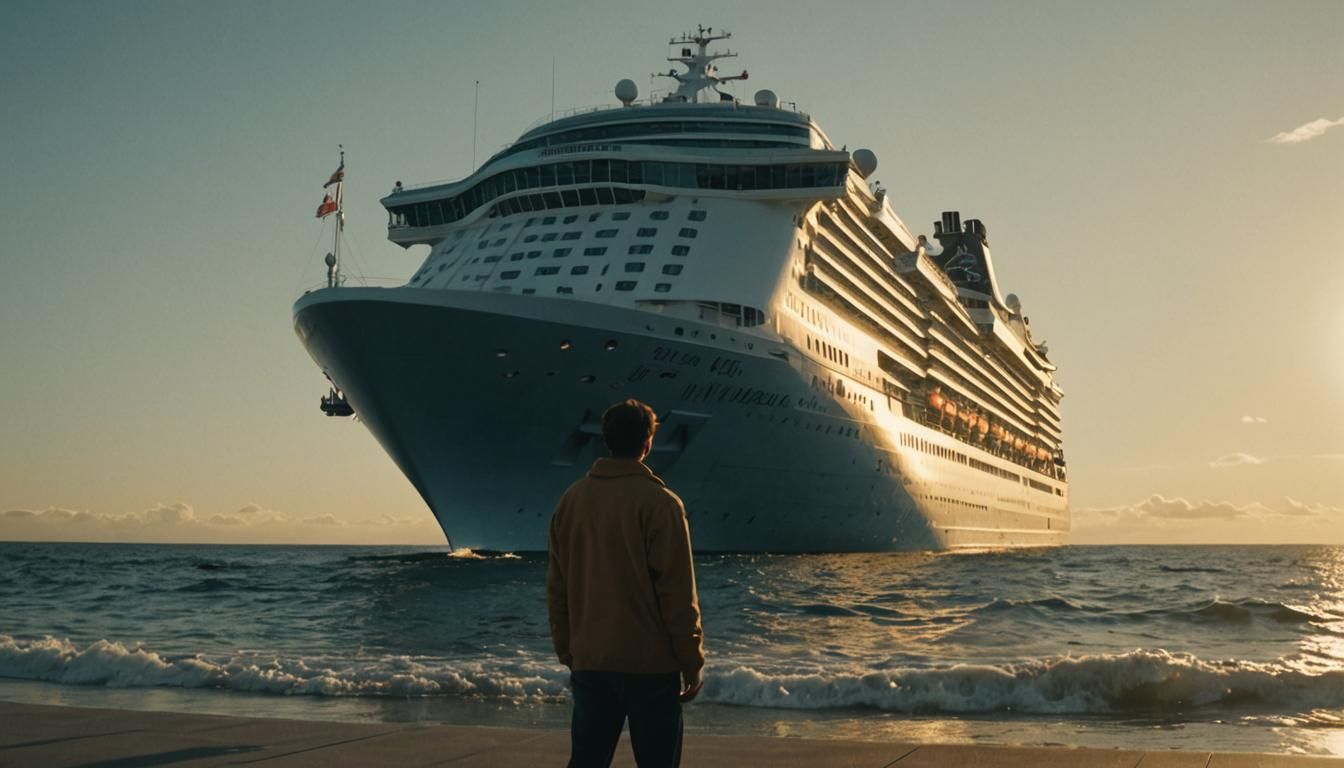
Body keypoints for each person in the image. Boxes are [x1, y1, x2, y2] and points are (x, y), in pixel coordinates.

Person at [547, 399, 705, 768]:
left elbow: (558, 589)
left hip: (590, 661)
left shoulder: (570, 502)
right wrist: (691, 661)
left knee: (586, 761)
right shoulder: (661, 504)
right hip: (650, 667)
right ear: (647, 444)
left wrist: (568, 651)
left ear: (607, 440)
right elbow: (678, 594)